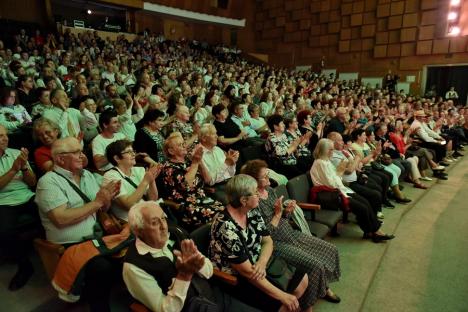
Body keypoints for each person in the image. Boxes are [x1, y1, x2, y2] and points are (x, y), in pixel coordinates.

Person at [35, 137, 121, 311]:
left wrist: (107, 199)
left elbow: (101, 207)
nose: (83, 156)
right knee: (102, 267)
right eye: (77, 152)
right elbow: (61, 219)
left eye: (82, 151)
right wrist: (98, 203)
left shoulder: (87, 175)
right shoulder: (48, 182)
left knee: (131, 251)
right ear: (60, 159)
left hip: (96, 236)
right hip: (70, 244)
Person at [241, 160, 342, 306]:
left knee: (330, 249)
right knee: (315, 264)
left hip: (289, 232)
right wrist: (277, 214)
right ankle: (307, 303)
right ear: (253, 181)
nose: (268, 177)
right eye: (264, 176)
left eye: (267, 173)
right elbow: (264, 236)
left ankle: (323, 286)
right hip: (275, 244)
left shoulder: (269, 191)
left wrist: (286, 212)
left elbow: (281, 215)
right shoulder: (252, 201)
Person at [209, 174, 313, 312]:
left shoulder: (251, 211)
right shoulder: (225, 227)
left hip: (259, 265)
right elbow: (246, 272)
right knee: (285, 304)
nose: (259, 194)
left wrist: (262, 262)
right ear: (244, 200)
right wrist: (282, 296)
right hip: (237, 278)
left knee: (303, 280)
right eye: (255, 192)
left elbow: (267, 240)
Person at [123, 201, 214, 312]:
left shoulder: (176, 234)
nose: (164, 226)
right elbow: (166, 310)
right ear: (139, 231)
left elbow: (209, 272)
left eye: (163, 218)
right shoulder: (133, 266)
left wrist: (197, 264)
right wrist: (184, 276)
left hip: (212, 297)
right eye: (155, 222)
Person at [310, 138, 395, 242]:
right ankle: (374, 232)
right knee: (362, 207)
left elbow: (335, 179)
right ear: (323, 150)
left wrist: (339, 173)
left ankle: (373, 231)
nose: (332, 152)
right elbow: (332, 184)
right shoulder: (320, 163)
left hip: (339, 191)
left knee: (365, 202)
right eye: (330, 150)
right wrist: (340, 173)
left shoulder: (325, 161)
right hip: (330, 196)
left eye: (332, 149)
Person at [159, 132, 224, 231]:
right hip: (186, 207)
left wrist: (199, 160)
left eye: (184, 143)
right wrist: (195, 162)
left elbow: (207, 179)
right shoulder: (169, 167)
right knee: (220, 217)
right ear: (171, 151)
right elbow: (186, 185)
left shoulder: (188, 161)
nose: (184, 146)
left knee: (226, 212)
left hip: (203, 199)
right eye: (180, 145)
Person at [0, 124, 38, 290]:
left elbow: (32, 182)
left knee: (51, 212)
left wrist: (23, 167)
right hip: (4, 202)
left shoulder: (16, 153)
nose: (6, 138)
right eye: (0, 136)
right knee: (4, 232)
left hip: (27, 196)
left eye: (6, 135)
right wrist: (13, 170)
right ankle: (25, 266)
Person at [103, 139, 159, 221]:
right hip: (132, 222)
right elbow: (128, 205)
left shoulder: (139, 170)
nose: (133, 154)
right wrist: (145, 181)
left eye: (133, 151)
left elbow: (153, 199)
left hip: (151, 215)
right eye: (128, 152)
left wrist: (152, 180)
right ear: (117, 158)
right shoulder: (110, 176)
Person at [199, 123, 239, 204]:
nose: (217, 136)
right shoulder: (199, 155)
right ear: (204, 138)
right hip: (216, 188)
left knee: (251, 192)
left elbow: (231, 174)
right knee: (237, 201)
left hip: (230, 182)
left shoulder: (217, 149)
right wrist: (226, 163)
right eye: (213, 134)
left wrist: (232, 162)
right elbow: (210, 181)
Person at [265, 114, 310, 179]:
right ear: (275, 126)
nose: (284, 125)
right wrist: (294, 146)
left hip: (292, 161)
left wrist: (299, 145)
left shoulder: (283, 135)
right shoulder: (272, 138)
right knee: (303, 175)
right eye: (282, 123)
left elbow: (291, 149)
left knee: (307, 162)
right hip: (282, 166)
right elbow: (282, 156)